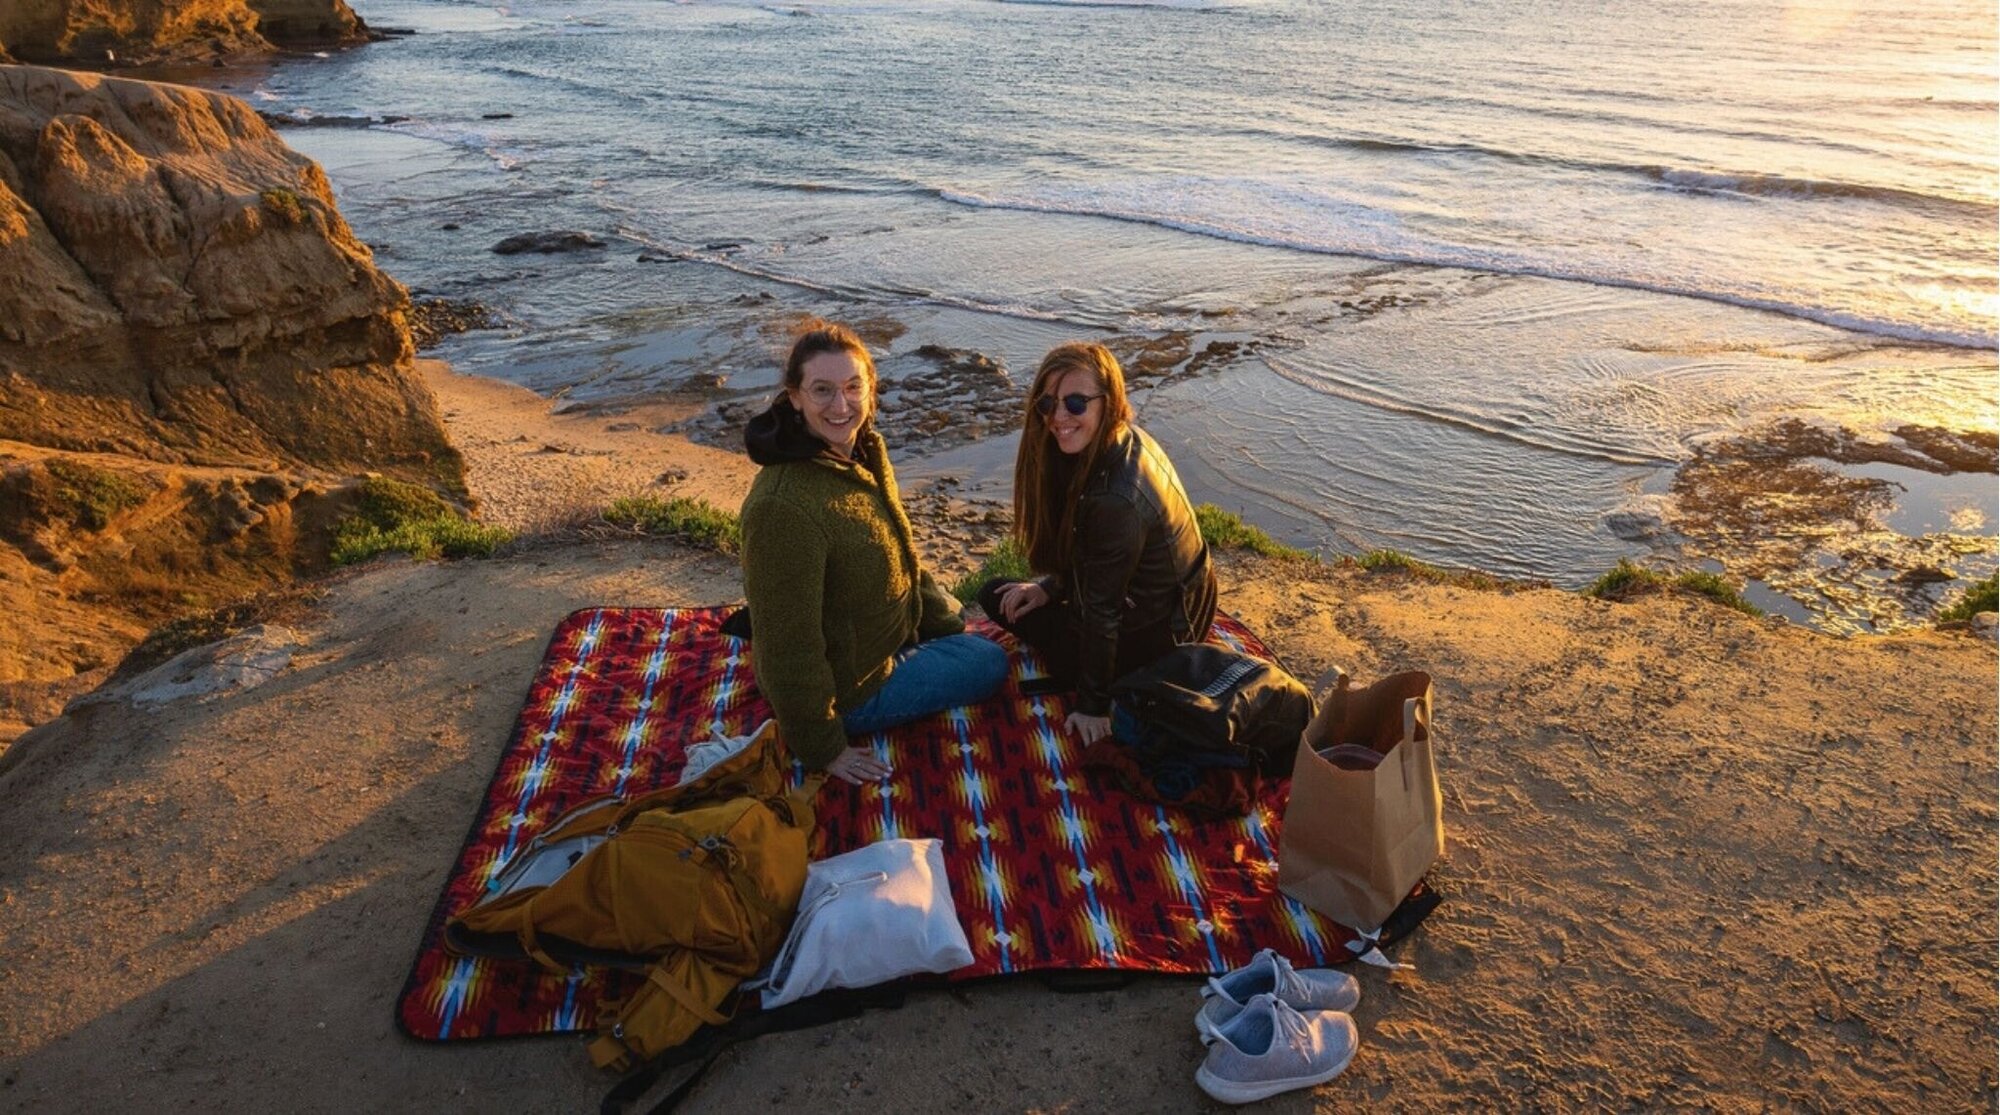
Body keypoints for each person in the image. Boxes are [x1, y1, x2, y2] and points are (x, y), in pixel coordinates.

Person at [739, 321, 1009, 784]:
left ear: (871, 388)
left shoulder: (861, 450)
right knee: (990, 662)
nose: (841, 406)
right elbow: (788, 642)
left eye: (853, 387)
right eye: (822, 390)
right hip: (854, 687)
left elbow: (901, 547)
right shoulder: (781, 507)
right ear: (794, 396)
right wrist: (823, 747)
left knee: (958, 621)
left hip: (881, 632)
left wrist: (942, 625)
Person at [978, 342, 1217, 745]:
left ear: (1108, 401)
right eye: (1047, 403)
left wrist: (1092, 706)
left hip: (1159, 640)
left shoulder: (1115, 500)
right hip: (1185, 606)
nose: (1058, 418)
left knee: (991, 595)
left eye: (1075, 403)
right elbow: (1093, 558)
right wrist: (1048, 587)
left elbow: (1102, 615)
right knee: (1014, 595)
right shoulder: (1126, 438)